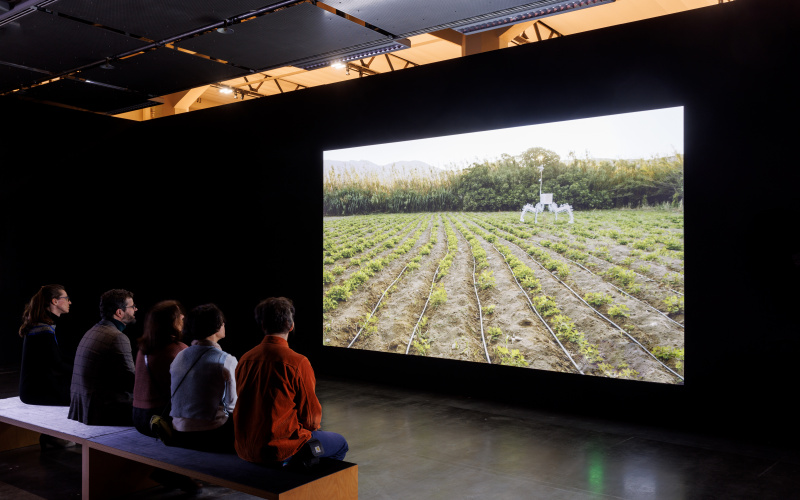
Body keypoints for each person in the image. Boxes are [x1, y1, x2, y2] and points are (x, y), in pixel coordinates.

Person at [233, 297, 348, 466]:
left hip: (245, 447)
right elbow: (311, 418)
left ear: (263, 325)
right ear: (291, 325)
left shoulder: (245, 359)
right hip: (279, 448)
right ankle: (298, 482)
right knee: (340, 444)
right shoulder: (297, 362)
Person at [168, 303, 237, 452]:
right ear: (217, 326)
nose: (224, 324)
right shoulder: (226, 360)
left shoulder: (180, 355)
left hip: (178, 431)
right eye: (222, 321)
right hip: (210, 433)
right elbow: (232, 405)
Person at [68, 289, 137, 425]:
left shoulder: (92, 330)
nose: (136, 309)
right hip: (102, 411)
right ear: (119, 312)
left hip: (84, 407)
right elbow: (131, 381)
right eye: (132, 307)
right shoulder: (117, 337)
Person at [132, 300, 188, 437]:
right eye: (178, 315)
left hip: (137, 416)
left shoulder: (143, 349)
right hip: (160, 420)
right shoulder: (179, 350)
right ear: (170, 322)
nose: (183, 317)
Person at [18, 284, 73, 406]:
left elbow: (57, 359)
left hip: (36, 389)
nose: (70, 302)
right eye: (67, 298)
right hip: (37, 393)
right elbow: (57, 364)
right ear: (55, 301)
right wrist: (83, 371)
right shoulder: (42, 328)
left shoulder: (43, 325)